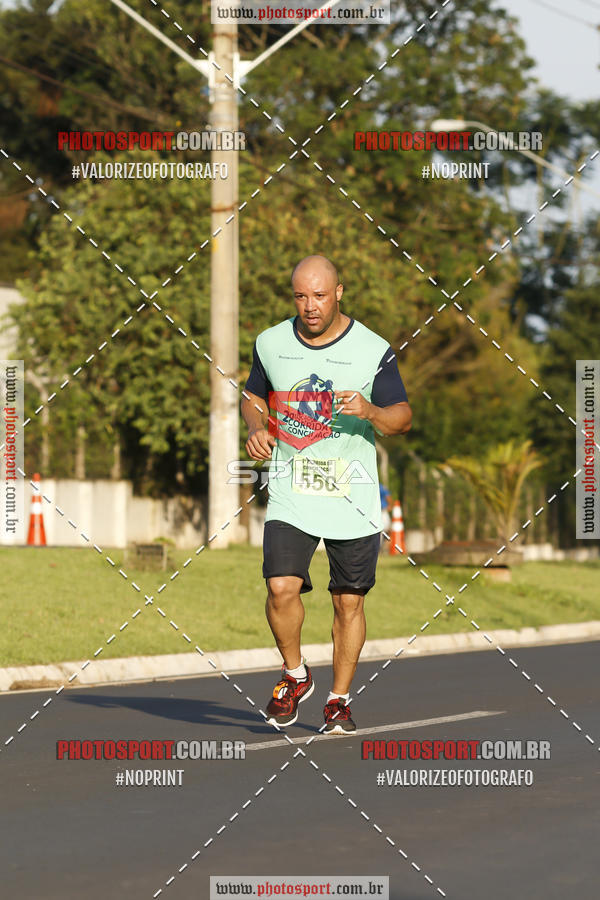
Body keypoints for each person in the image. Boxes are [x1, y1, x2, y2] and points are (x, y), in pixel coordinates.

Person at [241, 255, 412, 734]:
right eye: (300, 296)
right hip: (292, 489)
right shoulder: (271, 342)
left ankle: (338, 700)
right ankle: (295, 674)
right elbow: (253, 396)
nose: (310, 306)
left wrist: (371, 411)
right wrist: (256, 425)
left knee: (348, 603)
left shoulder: (373, 349)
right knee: (280, 587)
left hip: (351, 495)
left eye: (319, 295)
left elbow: (402, 417)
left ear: (339, 292)